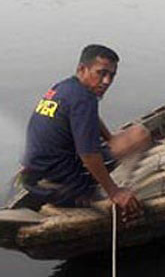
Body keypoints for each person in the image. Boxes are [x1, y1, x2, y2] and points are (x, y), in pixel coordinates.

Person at [20, 44, 151, 221]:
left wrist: (110, 138)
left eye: (111, 75)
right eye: (101, 73)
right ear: (82, 69)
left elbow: (92, 118)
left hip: (34, 176)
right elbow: (88, 155)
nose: (106, 81)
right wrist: (114, 192)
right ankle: (108, 186)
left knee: (123, 140)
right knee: (139, 135)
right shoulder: (83, 99)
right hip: (64, 185)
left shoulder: (63, 88)